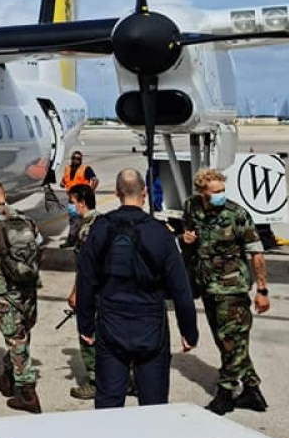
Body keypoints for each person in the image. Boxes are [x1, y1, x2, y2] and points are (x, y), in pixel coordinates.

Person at [76, 168, 199, 409]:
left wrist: (86, 325)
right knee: (153, 405)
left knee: (109, 403)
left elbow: (86, 280)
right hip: (150, 324)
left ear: (116, 193)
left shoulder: (100, 229)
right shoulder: (159, 233)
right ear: (144, 193)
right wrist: (189, 330)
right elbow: (181, 288)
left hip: (111, 322)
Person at [182, 168, 271, 415]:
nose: (221, 195)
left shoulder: (237, 214)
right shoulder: (191, 207)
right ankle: (252, 389)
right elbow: (189, 241)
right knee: (228, 340)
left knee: (232, 338)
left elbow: (256, 252)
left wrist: (262, 289)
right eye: (216, 192)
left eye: (223, 190)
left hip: (232, 288)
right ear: (202, 193)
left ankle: (225, 393)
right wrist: (186, 240)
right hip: (208, 286)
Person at [0, 180, 43, 414]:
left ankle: (27, 393)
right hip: (29, 287)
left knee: (14, 337)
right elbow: (38, 249)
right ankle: (7, 376)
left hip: (6, 291)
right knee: (22, 332)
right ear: (4, 195)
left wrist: (0, 270)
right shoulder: (26, 219)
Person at [65, 183, 100, 399]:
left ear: (82, 202)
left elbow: (86, 267)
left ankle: (95, 382)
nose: (71, 206)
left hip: (91, 292)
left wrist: (75, 292)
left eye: (72, 202)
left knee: (88, 336)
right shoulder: (104, 222)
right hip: (108, 292)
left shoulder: (87, 229)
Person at [62, 150, 98, 246]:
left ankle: (75, 241)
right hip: (72, 201)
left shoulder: (85, 169)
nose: (75, 160)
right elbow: (65, 179)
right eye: (74, 158)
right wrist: (62, 183)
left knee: (83, 221)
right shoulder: (67, 168)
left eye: (78, 158)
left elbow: (95, 180)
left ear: (81, 160)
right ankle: (74, 240)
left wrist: (89, 192)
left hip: (82, 201)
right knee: (74, 221)